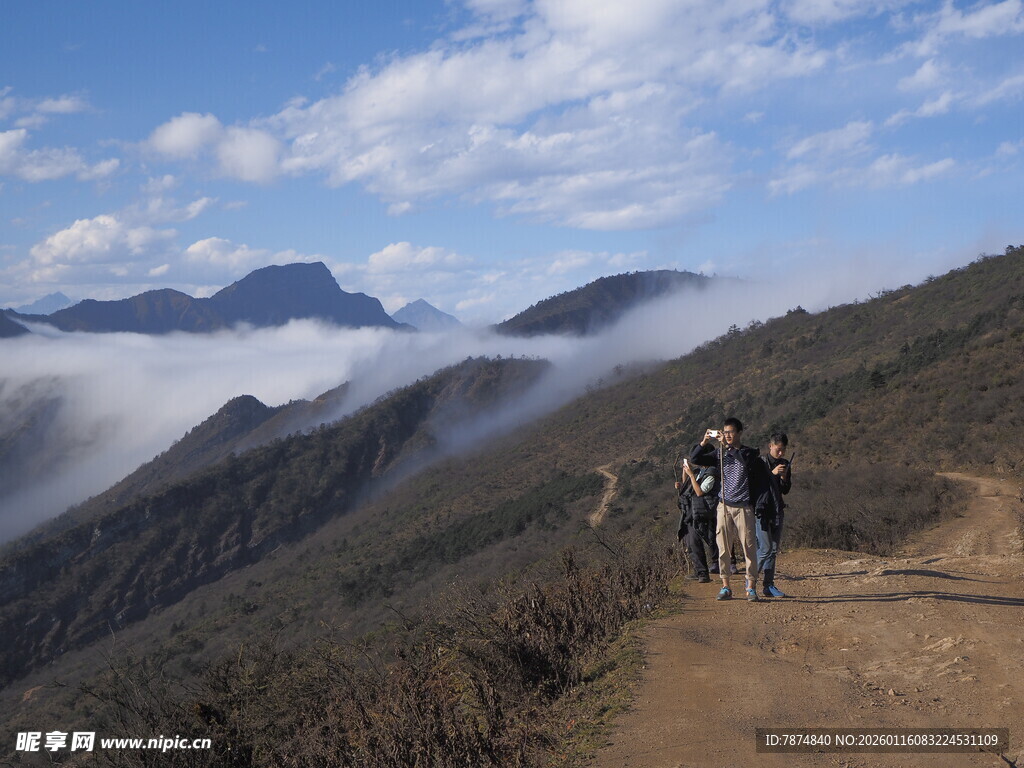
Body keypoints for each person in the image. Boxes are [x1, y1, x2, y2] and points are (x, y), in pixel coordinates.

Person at [689, 417, 771, 602]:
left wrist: (728, 449)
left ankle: (750, 587)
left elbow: (743, 460)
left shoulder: (749, 453)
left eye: (731, 432)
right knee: (723, 548)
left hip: (744, 507)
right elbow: (695, 459)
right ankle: (725, 586)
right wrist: (704, 441)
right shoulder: (718, 454)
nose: (727, 435)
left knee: (749, 548)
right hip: (724, 506)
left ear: (739, 433)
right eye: (725, 432)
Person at [757, 432, 792, 598]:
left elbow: (785, 490)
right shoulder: (759, 463)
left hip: (777, 510)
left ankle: (768, 585)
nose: (781, 453)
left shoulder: (785, 464)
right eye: (778, 449)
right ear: (770, 446)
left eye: (783, 450)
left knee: (773, 549)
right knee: (765, 548)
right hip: (761, 510)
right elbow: (756, 486)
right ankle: (750, 581)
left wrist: (784, 477)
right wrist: (772, 474)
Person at [675, 459, 720, 583]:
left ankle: (707, 570)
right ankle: (701, 572)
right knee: (692, 542)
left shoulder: (711, 474)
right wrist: (685, 472)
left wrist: (690, 475)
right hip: (693, 511)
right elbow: (688, 487)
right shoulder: (701, 472)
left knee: (700, 541)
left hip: (702, 512)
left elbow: (699, 492)